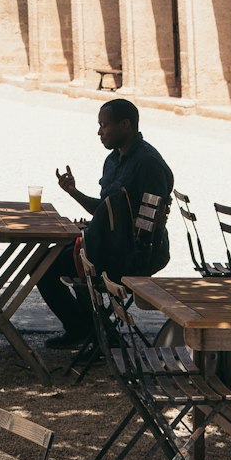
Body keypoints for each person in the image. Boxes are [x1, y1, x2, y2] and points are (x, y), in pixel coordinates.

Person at [38, 97, 174, 349]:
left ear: (125, 125)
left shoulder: (148, 163)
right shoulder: (112, 160)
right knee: (44, 261)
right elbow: (106, 209)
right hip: (107, 245)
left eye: (105, 125)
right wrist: (74, 193)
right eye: (99, 125)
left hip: (133, 253)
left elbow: (150, 222)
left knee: (46, 267)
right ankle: (93, 332)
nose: (99, 132)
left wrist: (103, 237)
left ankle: (91, 332)